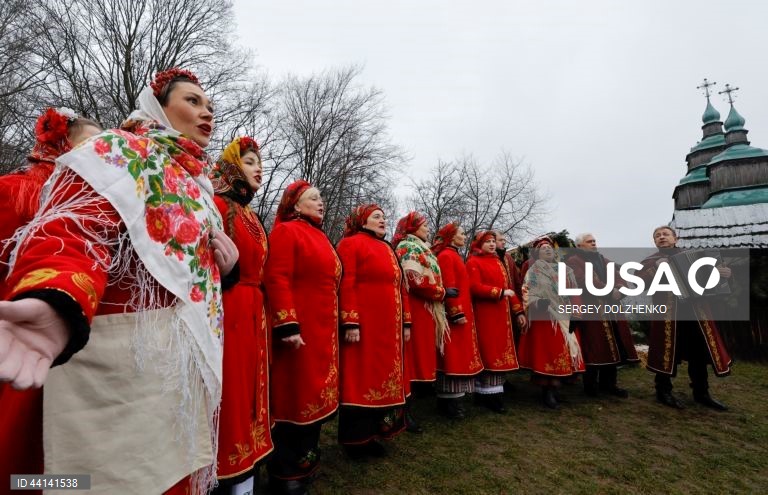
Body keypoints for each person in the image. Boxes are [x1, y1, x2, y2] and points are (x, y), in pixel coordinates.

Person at [0, 68, 239, 494]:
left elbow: (187, 273)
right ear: (157, 106)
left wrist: (227, 269)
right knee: (91, 481)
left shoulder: (199, 187)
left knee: (167, 474)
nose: (207, 113)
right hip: (120, 368)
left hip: (175, 374)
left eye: (211, 107)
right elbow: (73, 230)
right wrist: (58, 299)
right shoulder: (121, 151)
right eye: (192, 101)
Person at [0, 107, 101, 492]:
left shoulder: (104, 204)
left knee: (71, 465)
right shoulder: (15, 190)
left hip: (77, 344)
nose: (103, 154)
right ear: (61, 143)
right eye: (92, 144)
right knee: (26, 457)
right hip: (20, 333)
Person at [264, 180, 341, 495]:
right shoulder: (286, 231)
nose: (320, 202)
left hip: (322, 332)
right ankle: (285, 474)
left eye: (321, 197)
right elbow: (276, 276)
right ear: (294, 205)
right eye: (313, 198)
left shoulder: (320, 235)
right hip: (298, 333)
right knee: (293, 397)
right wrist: (288, 324)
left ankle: (307, 463)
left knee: (314, 397)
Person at [210, 136, 274, 493]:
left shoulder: (249, 213)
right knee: (230, 391)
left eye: (259, 162)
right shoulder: (217, 205)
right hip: (228, 307)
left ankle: (246, 474)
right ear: (232, 166)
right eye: (250, 162)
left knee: (250, 391)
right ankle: (224, 473)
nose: (258, 168)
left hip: (252, 311)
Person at [336, 204, 408, 459]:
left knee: (383, 377)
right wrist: (351, 321)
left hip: (388, 329)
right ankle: (356, 441)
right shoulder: (350, 244)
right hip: (364, 326)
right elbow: (347, 283)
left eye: (384, 217)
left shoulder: (387, 247)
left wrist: (405, 323)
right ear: (362, 220)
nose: (383, 220)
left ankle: (379, 431)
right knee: (361, 378)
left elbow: (400, 286)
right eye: (376, 217)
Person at [637, 226, 732, 411]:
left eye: (665, 234)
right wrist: (655, 268)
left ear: (675, 238)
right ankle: (663, 391)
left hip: (696, 312)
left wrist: (724, 275)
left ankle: (701, 393)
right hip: (668, 313)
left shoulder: (697, 257)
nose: (661, 238)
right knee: (666, 351)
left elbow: (713, 280)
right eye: (657, 236)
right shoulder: (651, 261)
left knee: (699, 351)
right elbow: (639, 281)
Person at [392, 211, 448, 432]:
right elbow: (415, 281)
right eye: (424, 225)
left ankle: (407, 409)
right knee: (412, 361)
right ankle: (403, 413)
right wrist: (441, 292)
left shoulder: (421, 248)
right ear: (413, 228)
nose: (427, 229)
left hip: (425, 310)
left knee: (419, 359)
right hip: (415, 310)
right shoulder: (408, 247)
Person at [566, 233, 639, 398]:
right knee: (593, 345)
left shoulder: (603, 259)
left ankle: (609, 384)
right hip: (591, 309)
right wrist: (610, 290)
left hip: (612, 308)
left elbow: (619, 276)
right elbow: (584, 281)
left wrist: (620, 289)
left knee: (614, 344)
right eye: (589, 241)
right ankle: (590, 385)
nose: (593, 243)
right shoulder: (574, 261)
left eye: (594, 241)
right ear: (579, 246)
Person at [519, 236, 585, 409]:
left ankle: (556, 388)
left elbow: (574, 293)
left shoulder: (565, 270)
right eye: (543, 248)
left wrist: (577, 312)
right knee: (548, 352)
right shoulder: (534, 271)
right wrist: (537, 302)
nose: (547, 250)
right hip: (545, 318)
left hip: (564, 315)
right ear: (537, 253)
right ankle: (547, 390)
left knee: (564, 351)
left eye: (549, 247)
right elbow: (526, 292)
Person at [466, 231, 526, 413]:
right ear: (479, 244)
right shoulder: (473, 262)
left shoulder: (498, 262)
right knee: (489, 354)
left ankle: (490, 395)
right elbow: (474, 287)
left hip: (502, 317)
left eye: (494, 241)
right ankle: (488, 397)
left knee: (498, 353)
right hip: (485, 316)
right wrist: (498, 293)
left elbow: (509, 289)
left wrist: (518, 312)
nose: (492, 244)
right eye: (488, 242)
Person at [432, 222, 483, 419]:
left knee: (458, 358)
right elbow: (449, 284)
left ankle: (454, 399)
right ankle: (448, 401)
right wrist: (456, 312)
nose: (464, 236)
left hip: (463, 314)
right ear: (452, 237)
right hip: (454, 318)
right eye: (461, 233)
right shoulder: (446, 256)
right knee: (452, 358)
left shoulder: (454, 255)